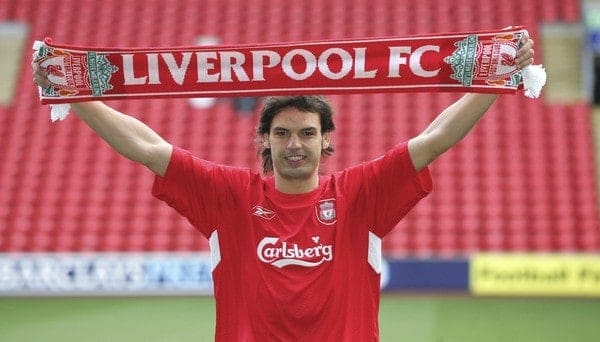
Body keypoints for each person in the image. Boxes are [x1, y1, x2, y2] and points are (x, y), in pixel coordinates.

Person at [32, 35, 535, 341]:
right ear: (265, 142)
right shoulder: (230, 195)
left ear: (326, 141)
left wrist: (492, 79)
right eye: (282, 133)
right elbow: (147, 147)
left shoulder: (360, 194)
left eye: (307, 133)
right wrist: (75, 93)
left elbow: (436, 138)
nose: (295, 144)